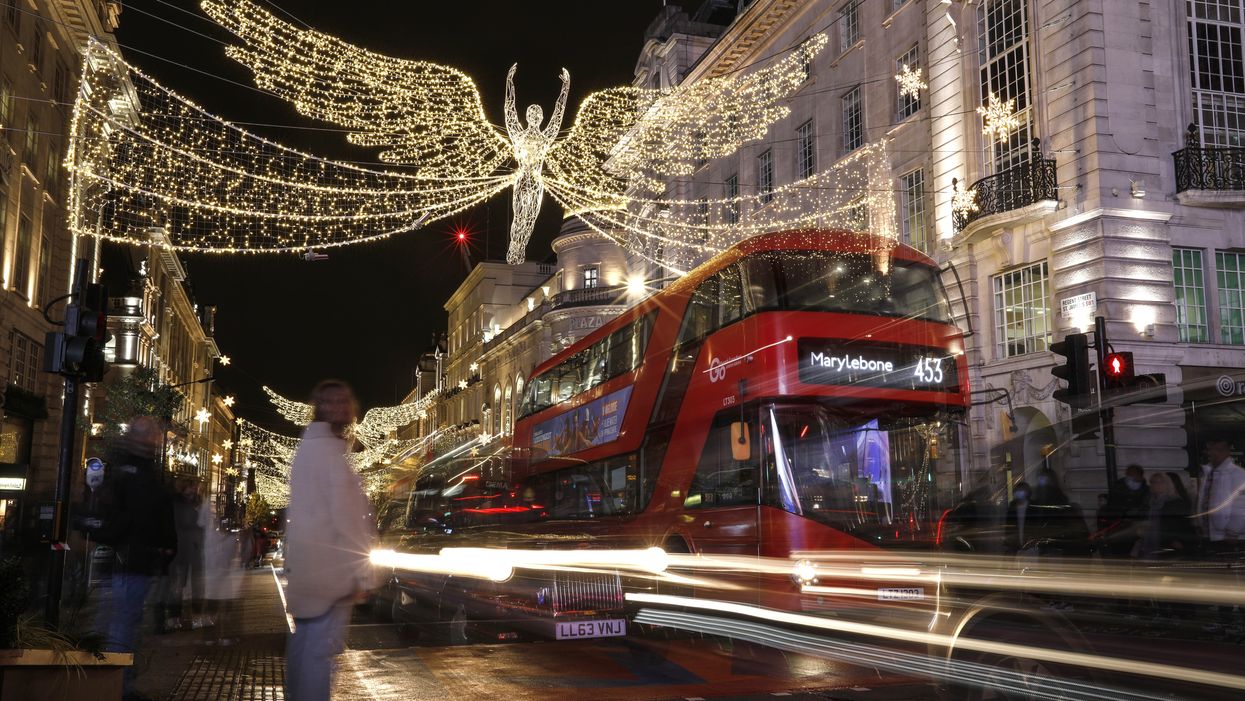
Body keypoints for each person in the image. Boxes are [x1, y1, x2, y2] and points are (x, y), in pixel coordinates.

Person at [284, 380, 375, 701]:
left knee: (304, 645)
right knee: (320, 654)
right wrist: (362, 572)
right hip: (331, 572)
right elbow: (349, 520)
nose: (350, 408)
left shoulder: (306, 448)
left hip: (306, 567)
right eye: (344, 402)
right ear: (332, 408)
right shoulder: (332, 456)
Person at [92, 416, 177, 701]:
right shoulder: (136, 469)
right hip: (130, 558)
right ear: (141, 437)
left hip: (128, 558)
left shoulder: (130, 465)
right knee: (122, 624)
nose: (156, 439)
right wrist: (159, 543)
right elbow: (144, 515)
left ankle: (117, 683)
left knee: (122, 621)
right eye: (152, 434)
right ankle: (116, 687)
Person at [158, 477, 206, 631]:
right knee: (177, 585)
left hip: (194, 548)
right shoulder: (177, 504)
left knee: (196, 584)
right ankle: (174, 617)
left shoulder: (197, 502)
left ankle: (195, 616)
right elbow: (185, 523)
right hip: (180, 548)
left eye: (195, 487)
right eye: (191, 487)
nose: (194, 490)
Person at [1135, 472, 1198, 559]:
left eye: (1161, 482)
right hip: (1151, 541)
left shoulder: (1176, 502)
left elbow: (1182, 524)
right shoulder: (1149, 502)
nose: (1156, 485)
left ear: (1168, 484)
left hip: (1170, 543)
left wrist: (1176, 540)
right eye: (1153, 482)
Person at [1196, 440, 1245, 548]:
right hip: (1210, 534)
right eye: (1211, 450)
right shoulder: (1208, 473)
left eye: (1219, 450)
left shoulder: (1238, 474)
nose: (1213, 453)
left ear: (1227, 452)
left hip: (1230, 538)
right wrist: (1200, 524)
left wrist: (1233, 531)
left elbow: (1242, 505)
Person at [1101, 464, 1150, 557]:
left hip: (1137, 529)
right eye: (1128, 474)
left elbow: (1146, 508)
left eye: (1132, 475)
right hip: (1120, 528)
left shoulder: (1146, 490)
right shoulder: (1118, 487)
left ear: (1140, 475)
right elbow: (1112, 507)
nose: (1129, 478)